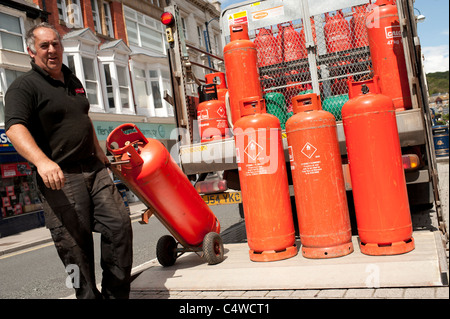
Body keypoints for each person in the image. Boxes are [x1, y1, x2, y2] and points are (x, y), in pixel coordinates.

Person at [4, 22, 133, 299]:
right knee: (74, 247)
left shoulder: (72, 80)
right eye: (44, 45)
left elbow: (83, 116)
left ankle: (115, 294)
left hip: (94, 169)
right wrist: (42, 162)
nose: (52, 50)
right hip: (60, 178)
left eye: (56, 43)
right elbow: (14, 127)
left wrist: (99, 151)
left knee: (119, 226)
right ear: (31, 51)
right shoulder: (23, 87)